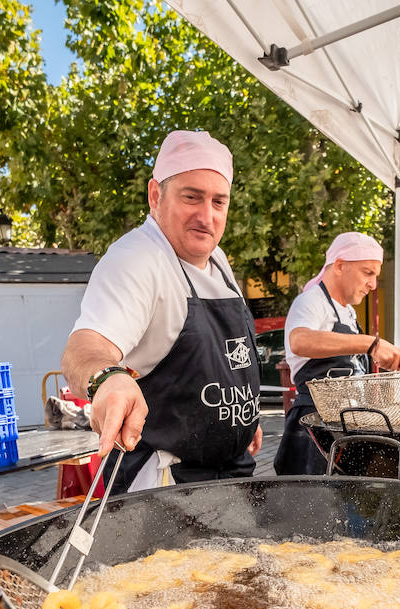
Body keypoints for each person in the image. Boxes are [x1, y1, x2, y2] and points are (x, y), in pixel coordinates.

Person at [60, 129, 262, 494]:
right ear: (156, 195)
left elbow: (226, 359)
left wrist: (243, 421)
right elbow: (85, 347)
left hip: (232, 471)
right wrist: (108, 379)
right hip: (168, 483)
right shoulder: (136, 259)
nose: (207, 216)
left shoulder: (217, 259)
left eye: (219, 202)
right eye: (191, 197)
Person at [274, 232, 400, 476]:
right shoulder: (310, 301)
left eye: (376, 276)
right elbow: (299, 341)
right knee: (314, 504)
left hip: (346, 423)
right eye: (368, 273)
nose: (373, 284)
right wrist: (371, 344)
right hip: (315, 425)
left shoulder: (347, 312)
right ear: (339, 266)